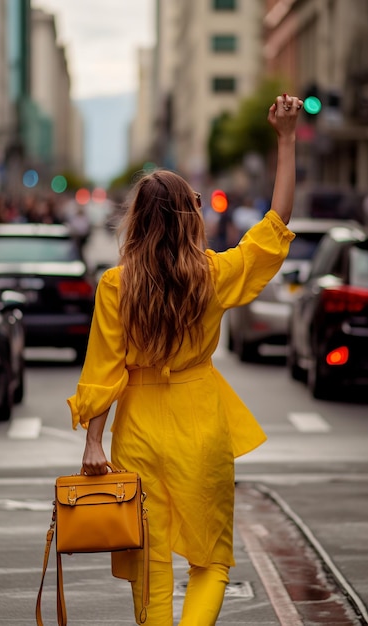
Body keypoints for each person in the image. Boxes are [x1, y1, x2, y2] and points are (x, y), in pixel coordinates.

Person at [67, 93, 303, 626]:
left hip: (140, 430)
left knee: (149, 564)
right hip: (201, 425)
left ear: (139, 222)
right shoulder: (213, 274)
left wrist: (92, 442)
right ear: (185, 217)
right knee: (210, 560)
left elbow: (104, 371)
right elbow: (277, 223)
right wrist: (286, 140)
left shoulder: (115, 285)